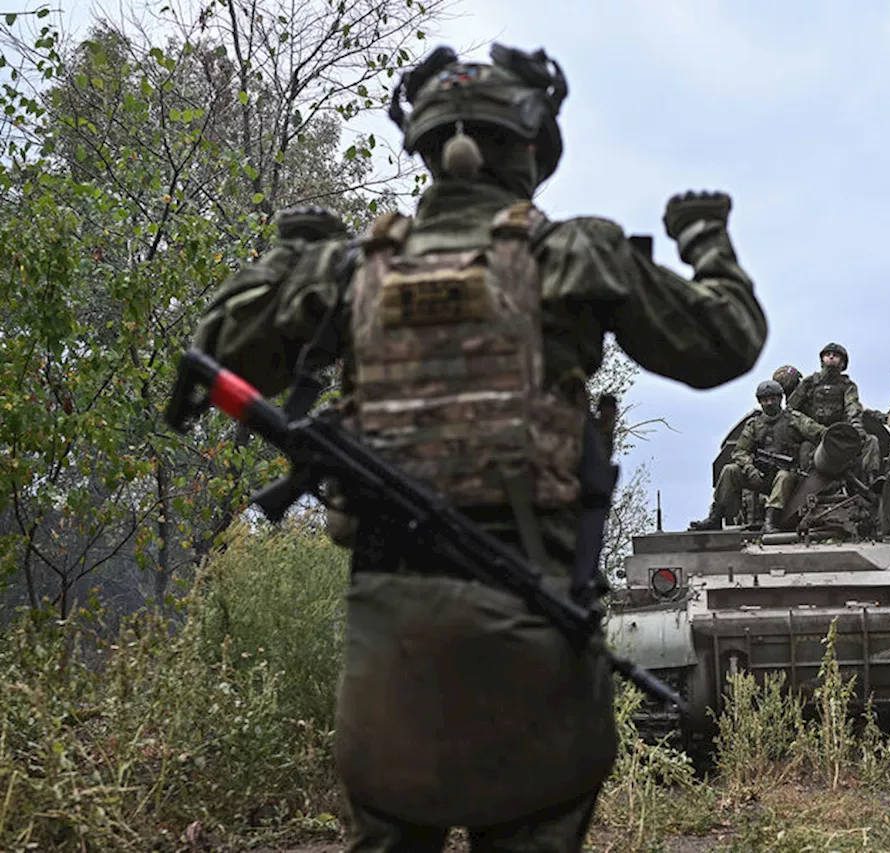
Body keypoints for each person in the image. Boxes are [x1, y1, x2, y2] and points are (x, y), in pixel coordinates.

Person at [188, 42, 767, 853]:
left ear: (426, 149)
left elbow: (213, 350)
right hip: (536, 630)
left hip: (390, 642)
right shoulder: (572, 253)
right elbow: (725, 343)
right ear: (530, 148)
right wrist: (707, 240)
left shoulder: (349, 270)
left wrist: (287, 261)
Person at [689, 380, 825, 534]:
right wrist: (750, 469)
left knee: (783, 476)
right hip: (760, 475)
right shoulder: (754, 425)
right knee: (729, 470)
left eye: (772, 399)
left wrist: (840, 436)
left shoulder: (794, 419)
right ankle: (715, 518)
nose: (768, 403)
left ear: (780, 399)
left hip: (790, 478)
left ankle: (770, 521)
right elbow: (739, 451)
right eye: (764, 400)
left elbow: (819, 432)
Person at [787, 342, 879, 480]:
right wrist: (813, 428)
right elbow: (791, 409)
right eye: (828, 355)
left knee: (871, 441)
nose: (831, 357)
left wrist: (857, 429)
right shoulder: (809, 383)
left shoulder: (847, 386)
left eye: (835, 355)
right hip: (813, 436)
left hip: (839, 435)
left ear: (842, 362)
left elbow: (852, 407)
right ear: (822, 360)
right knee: (805, 448)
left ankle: (871, 481)